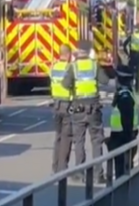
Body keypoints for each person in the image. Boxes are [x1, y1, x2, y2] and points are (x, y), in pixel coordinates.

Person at [63, 40, 110, 182]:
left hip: (78, 108)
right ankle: (98, 175)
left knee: (79, 141)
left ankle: (79, 173)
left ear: (78, 51)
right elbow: (105, 81)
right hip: (93, 108)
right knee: (96, 141)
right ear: (90, 51)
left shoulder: (73, 67)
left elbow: (65, 84)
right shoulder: (94, 65)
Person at [106, 64, 139, 178]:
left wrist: (125, 140)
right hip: (122, 137)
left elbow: (126, 120)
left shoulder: (124, 96)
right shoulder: (126, 93)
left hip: (122, 139)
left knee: (122, 175)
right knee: (123, 173)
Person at [50, 44, 74, 173]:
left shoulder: (54, 67)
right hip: (66, 105)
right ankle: (63, 168)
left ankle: (55, 166)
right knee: (67, 137)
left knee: (58, 137)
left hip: (56, 105)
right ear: (69, 54)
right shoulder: (69, 68)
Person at [123, 24, 139, 90]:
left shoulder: (132, 36)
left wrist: (127, 53)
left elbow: (124, 45)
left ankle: (130, 85)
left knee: (131, 71)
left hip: (132, 56)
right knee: (138, 72)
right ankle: (137, 87)